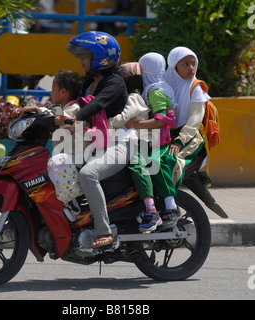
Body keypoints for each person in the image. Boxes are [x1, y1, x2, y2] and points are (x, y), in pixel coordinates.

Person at [55, 31, 129, 248]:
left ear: (101, 58)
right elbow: (70, 101)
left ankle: (104, 232)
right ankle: (77, 213)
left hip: (119, 142)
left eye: (85, 56)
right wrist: (37, 110)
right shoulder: (88, 82)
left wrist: (76, 117)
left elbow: (98, 104)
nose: (81, 60)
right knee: (60, 163)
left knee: (88, 174)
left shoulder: (114, 82)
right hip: (96, 141)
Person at [124, 52, 178, 232]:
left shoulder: (155, 90)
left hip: (159, 139)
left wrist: (135, 124)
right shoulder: (162, 86)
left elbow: (160, 120)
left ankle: (170, 207)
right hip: (153, 137)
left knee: (149, 164)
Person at [163, 47, 209, 226]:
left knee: (168, 160)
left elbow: (195, 120)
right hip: (168, 133)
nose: (191, 68)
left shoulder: (195, 87)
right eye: (185, 64)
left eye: (193, 63)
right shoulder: (164, 84)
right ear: (174, 66)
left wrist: (179, 140)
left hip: (189, 136)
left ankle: (169, 206)